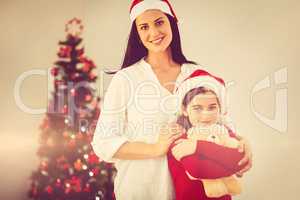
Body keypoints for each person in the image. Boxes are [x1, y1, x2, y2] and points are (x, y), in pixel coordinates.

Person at [91, 1, 252, 199]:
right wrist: (155, 149)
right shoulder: (126, 79)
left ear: (171, 23)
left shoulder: (196, 75)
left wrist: (243, 146)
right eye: (144, 27)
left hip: (196, 192)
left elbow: (222, 125)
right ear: (138, 34)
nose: (154, 32)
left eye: (159, 22)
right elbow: (103, 142)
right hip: (142, 190)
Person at [167, 69, 249, 200]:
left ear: (220, 108)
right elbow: (198, 170)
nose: (206, 115)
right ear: (184, 109)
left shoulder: (224, 133)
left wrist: (197, 147)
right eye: (197, 108)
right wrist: (226, 158)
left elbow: (240, 162)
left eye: (212, 107)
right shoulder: (178, 140)